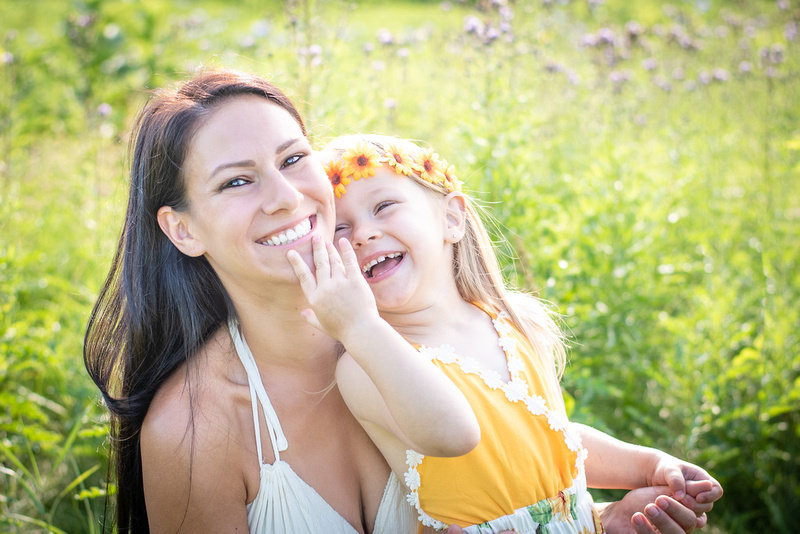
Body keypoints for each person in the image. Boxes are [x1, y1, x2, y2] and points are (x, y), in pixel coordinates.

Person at [83, 67, 716, 534]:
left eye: (294, 158)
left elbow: (510, 480)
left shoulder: (414, 333)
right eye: (238, 181)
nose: (284, 197)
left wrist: (605, 520)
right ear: (183, 229)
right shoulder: (194, 430)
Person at [287, 134, 723, 533]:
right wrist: (359, 326)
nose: (363, 233)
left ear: (452, 219)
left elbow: (547, 436)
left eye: (384, 206)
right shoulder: (367, 364)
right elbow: (452, 433)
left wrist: (647, 466)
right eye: (340, 229)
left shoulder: (513, 322)